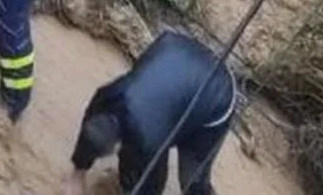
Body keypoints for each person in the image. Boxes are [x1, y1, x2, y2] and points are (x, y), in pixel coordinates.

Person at [62, 31, 237, 195]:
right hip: (175, 48)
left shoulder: (149, 142)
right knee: (134, 156)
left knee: (192, 179)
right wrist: (77, 176)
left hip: (217, 95)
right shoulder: (109, 97)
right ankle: (125, 175)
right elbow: (91, 129)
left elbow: (152, 186)